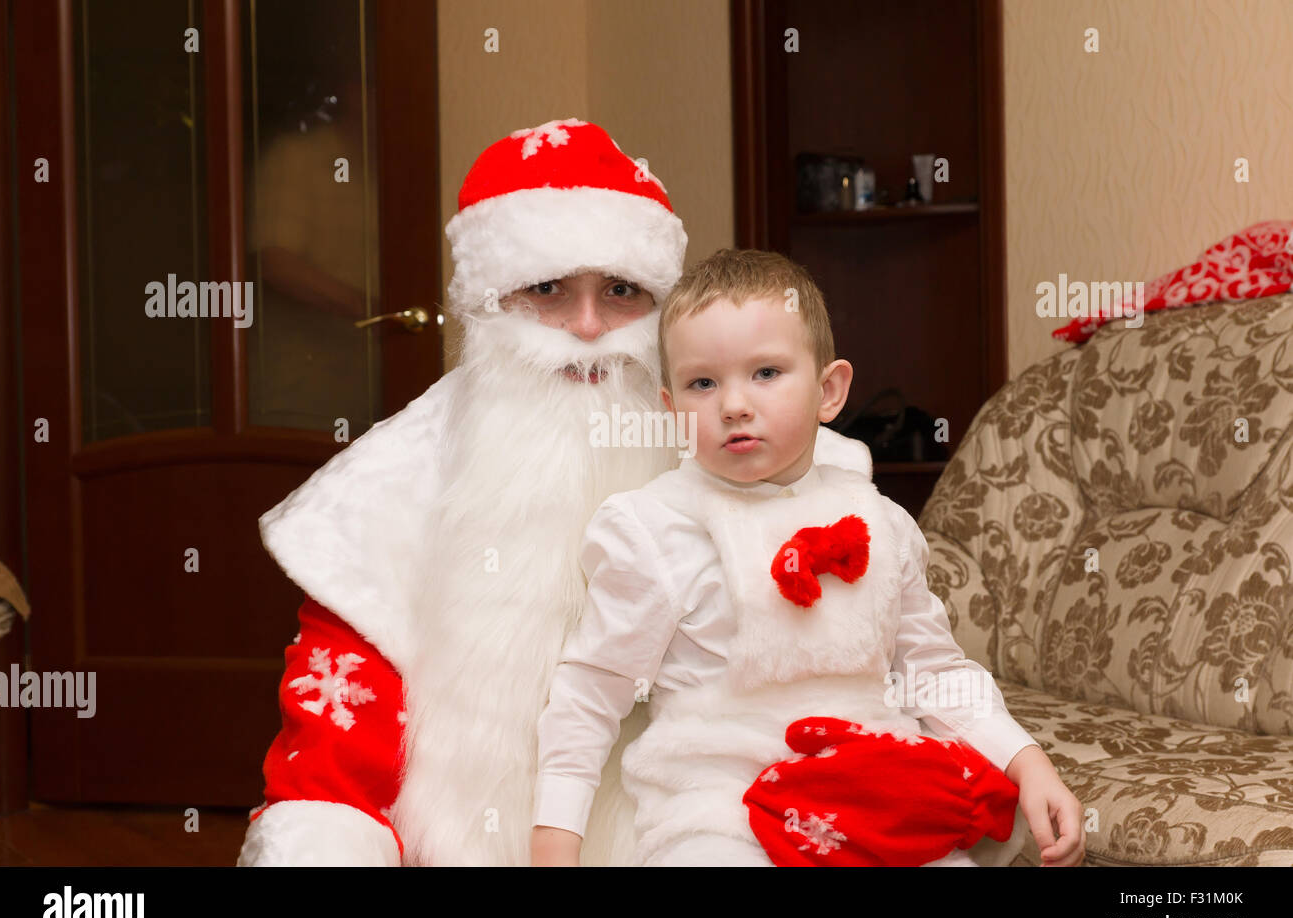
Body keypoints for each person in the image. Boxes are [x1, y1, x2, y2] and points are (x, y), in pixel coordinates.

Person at [237, 120, 874, 866]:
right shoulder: (385, 487)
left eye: (621, 291)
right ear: (490, 304)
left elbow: (843, 670)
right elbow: (336, 731)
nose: (587, 328)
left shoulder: (768, 461)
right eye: (546, 290)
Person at [531, 248, 1086, 866]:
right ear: (672, 410)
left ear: (829, 390)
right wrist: (556, 836)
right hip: (720, 812)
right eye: (703, 383)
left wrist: (1027, 761)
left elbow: (934, 671)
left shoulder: (881, 523)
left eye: (766, 373)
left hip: (871, 798)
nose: (734, 404)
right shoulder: (654, 531)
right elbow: (592, 691)